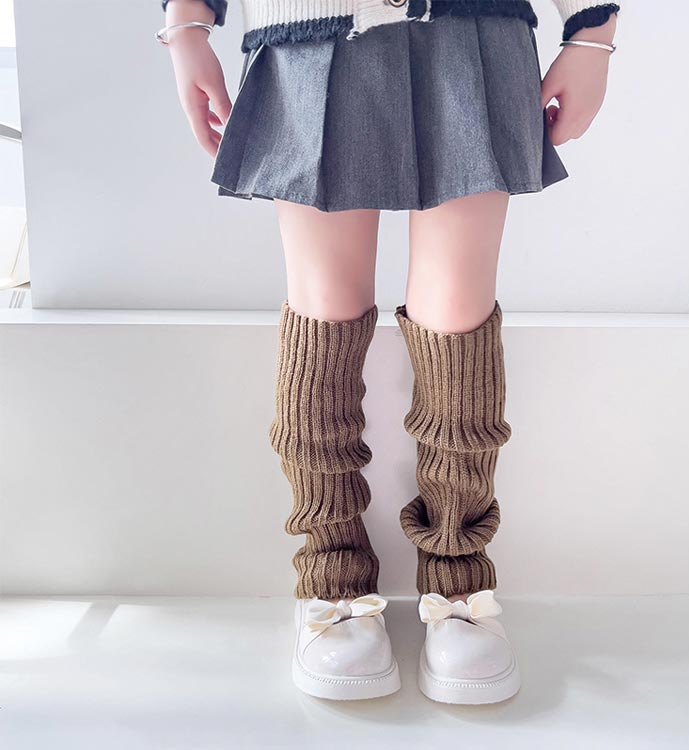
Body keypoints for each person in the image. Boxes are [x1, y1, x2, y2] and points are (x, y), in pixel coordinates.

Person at [157, 0, 620, 704]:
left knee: (457, 309)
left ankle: (458, 579)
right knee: (324, 307)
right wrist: (186, 22)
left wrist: (593, 33)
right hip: (309, 30)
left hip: (473, 28)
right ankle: (331, 577)